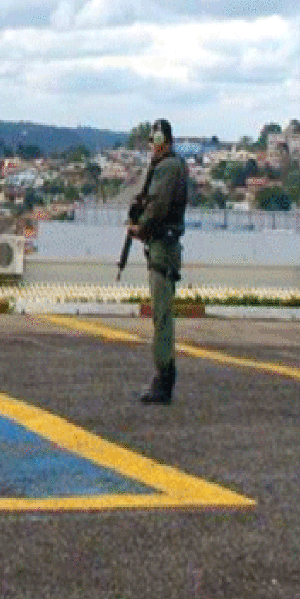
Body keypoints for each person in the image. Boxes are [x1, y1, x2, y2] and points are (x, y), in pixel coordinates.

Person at [128, 118, 189, 404]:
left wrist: (140, 229)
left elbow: (158, 207)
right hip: (163, 245)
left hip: (163, 247)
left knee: (162, 316)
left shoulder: (167, 167)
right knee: (160, 315)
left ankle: (164, 378)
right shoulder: (170, 166)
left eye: (153, 141)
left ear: (162, 141)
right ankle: (163, 375)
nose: (151, 147)